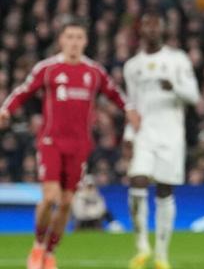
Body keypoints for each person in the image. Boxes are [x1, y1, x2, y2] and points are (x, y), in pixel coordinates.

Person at [0, 18, 140, 269]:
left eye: (79, 37)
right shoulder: (48, 68)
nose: (74, 42)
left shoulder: (94, 72)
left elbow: (114, 92)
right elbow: (23, 90)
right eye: (70, 37)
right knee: (50, 197)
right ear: (61, 40)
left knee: (66, 203)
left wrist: (129, 109)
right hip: (51, 141)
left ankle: (50, 253)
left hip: (80, 145)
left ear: (85, 41)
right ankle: (37, 246)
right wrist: (6, 110)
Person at [123, 10, 199, 269]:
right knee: (137, 180)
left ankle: (162, 255)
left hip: (171, 135)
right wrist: (128, 135)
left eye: (156, 25)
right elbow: (132, 104)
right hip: (144, 133)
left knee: (165, 191)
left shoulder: (178, 60)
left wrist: (174, 87)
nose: (152, 30)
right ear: (141, 31)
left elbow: (194, 96)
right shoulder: (132, 66)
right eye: (147, 25)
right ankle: (142, 245)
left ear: (164, 30)